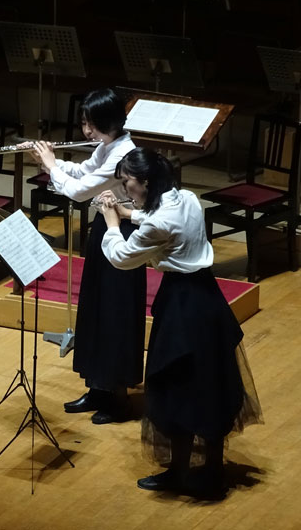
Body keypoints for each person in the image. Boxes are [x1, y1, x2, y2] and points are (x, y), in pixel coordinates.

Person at [97, 147, 263, 499]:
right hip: (208, 298)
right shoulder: (186, 197)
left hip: (182, 307)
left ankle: (179, 472)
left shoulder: (157, 222)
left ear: (145, 181)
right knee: (210, 384)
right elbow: (161, 218)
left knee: (175, 386)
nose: (125, 188)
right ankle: (213, 468)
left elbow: (122, 257)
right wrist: (127, 212)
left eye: (127, 182)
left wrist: (112, 223)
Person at [30, 88, 146, 424]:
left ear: (108, 122)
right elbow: (83, 172)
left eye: (90, 124)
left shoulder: (124, 153)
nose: (86, 130)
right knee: (96, 309)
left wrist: (51, 166)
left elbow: (80, 192)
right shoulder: (108, 145)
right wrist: (51, 161)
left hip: (124, 232)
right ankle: (98, 388)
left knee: (116, 313)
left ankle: (118, 397)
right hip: (104, 227)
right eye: (84, 123)